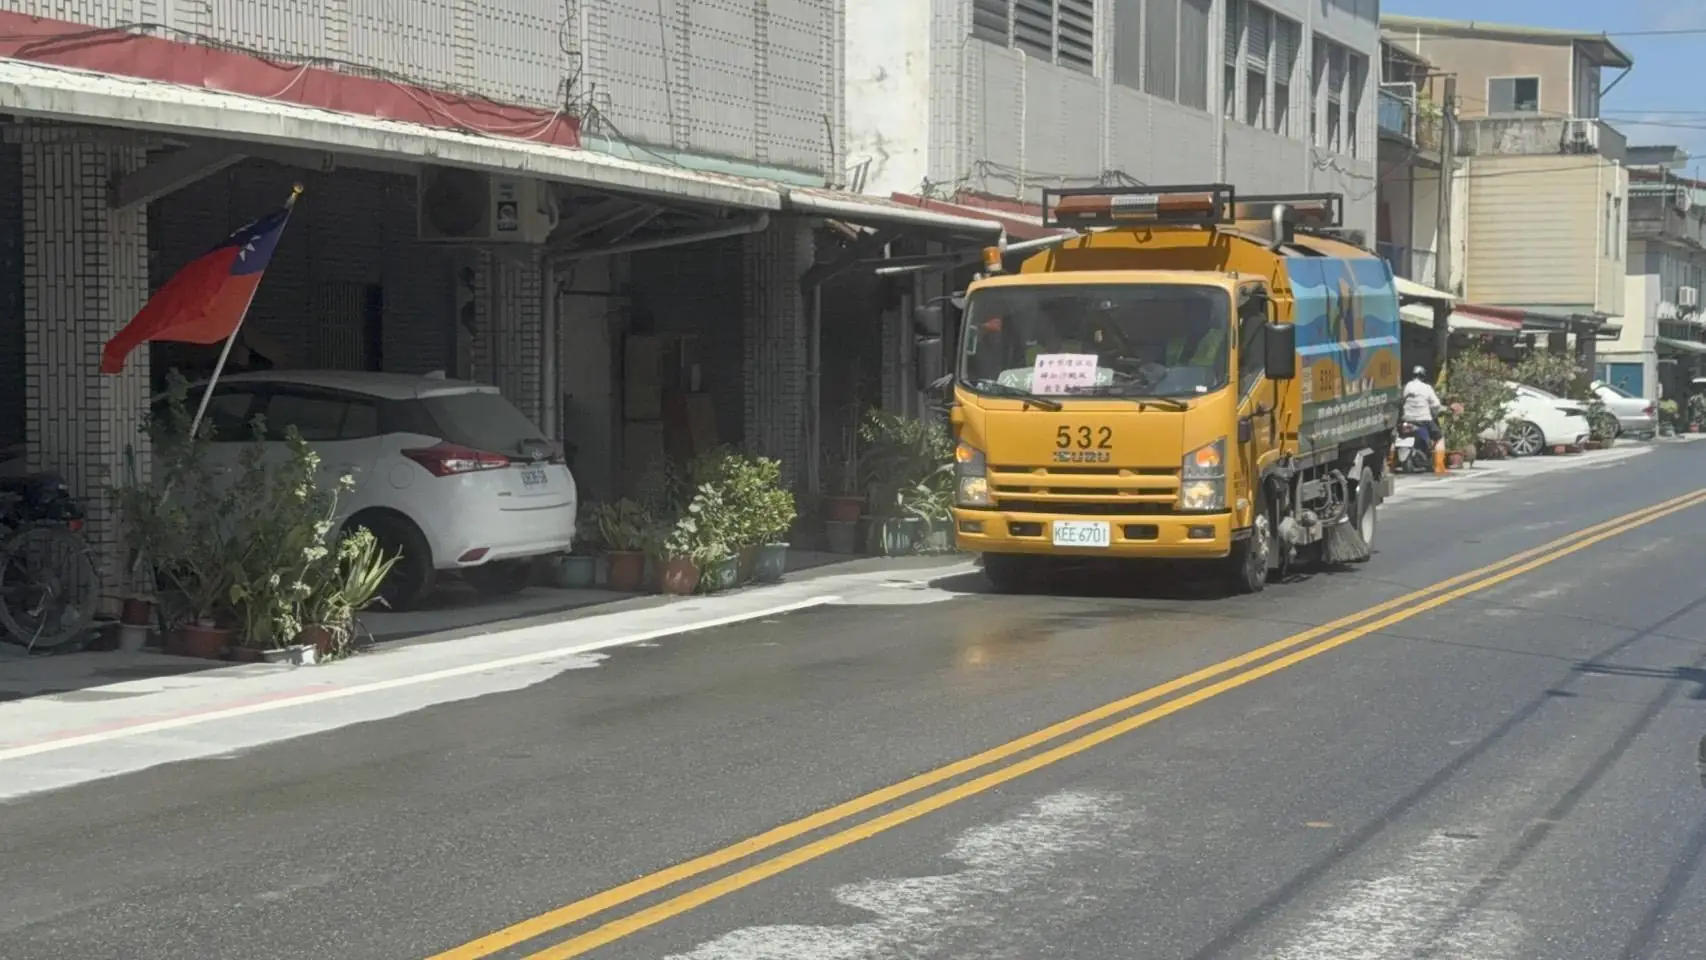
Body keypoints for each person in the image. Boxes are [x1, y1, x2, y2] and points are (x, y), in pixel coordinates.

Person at [1401, 365, 1446, 455]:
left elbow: (1403, 399)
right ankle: (1439, 466)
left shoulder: (1408, 386)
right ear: (1423, 376)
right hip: (1424, 419)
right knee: (1439, 438)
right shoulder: (1427, 388)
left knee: (1398, 437)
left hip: (1407, 419)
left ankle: (1391, 463)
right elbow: (1436, 404)